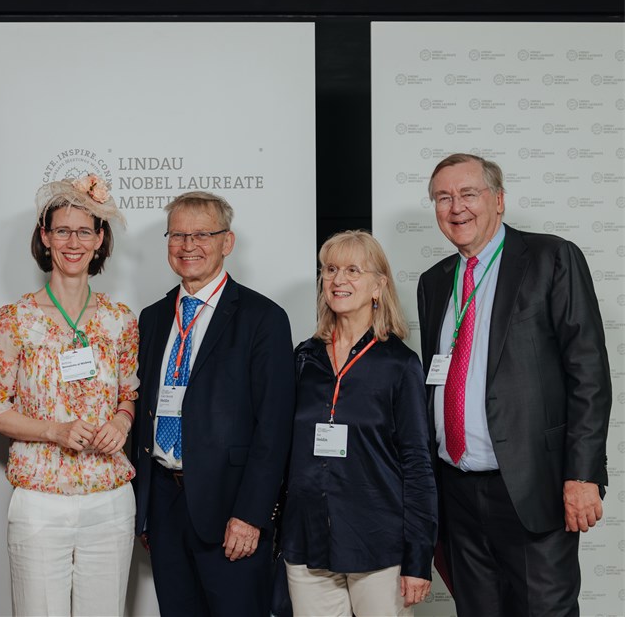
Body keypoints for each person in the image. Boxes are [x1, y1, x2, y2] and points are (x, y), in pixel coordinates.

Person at [417, 153, 612, 616]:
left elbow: (588, 373)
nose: (456, 207)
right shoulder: (434, 282)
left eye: (468, 194)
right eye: (443, 198)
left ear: (499, 201)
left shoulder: (551, 257)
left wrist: (582, 475)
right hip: (456, 491)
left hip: (532, 484)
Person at [0, 174, 138, 616]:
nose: (73, 241)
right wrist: (55, 431)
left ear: (99, 238)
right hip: (40, 501)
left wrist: (122, 421)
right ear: (45, 237)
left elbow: (129, 394)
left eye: (84, 231)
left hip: (109, 497)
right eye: (62, 230)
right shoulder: (15, 319)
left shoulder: (119, 319)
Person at [131, 191, 296, 616]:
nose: (189, 246)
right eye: (179, 235)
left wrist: (252, 515)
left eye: (202, 234)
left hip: (230, 511)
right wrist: (145, 507)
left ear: (228, 242)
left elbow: (274, 428)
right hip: (165, 507)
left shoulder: (263, 318)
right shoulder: (151, 318)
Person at [281, 230, 436, 616]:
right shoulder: (304, 358)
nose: (338, 279)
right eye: (331, 269)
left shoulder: (399, 364)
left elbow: (418, 465)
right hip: (307, 540)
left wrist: (418, 558)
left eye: (353, 269)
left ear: (378, 285)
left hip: (377, 542)